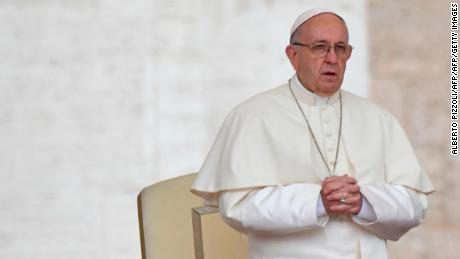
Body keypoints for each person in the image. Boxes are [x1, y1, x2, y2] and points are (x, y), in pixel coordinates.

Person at [191, 8, 434, 259]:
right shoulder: (252, 116)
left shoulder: (379, 119)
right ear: (293, 55)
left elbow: (415, 205)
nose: (332, 58)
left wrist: (363, 201)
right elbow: (236, 207)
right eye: (320, 47)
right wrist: (317, 201)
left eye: (341, 48)